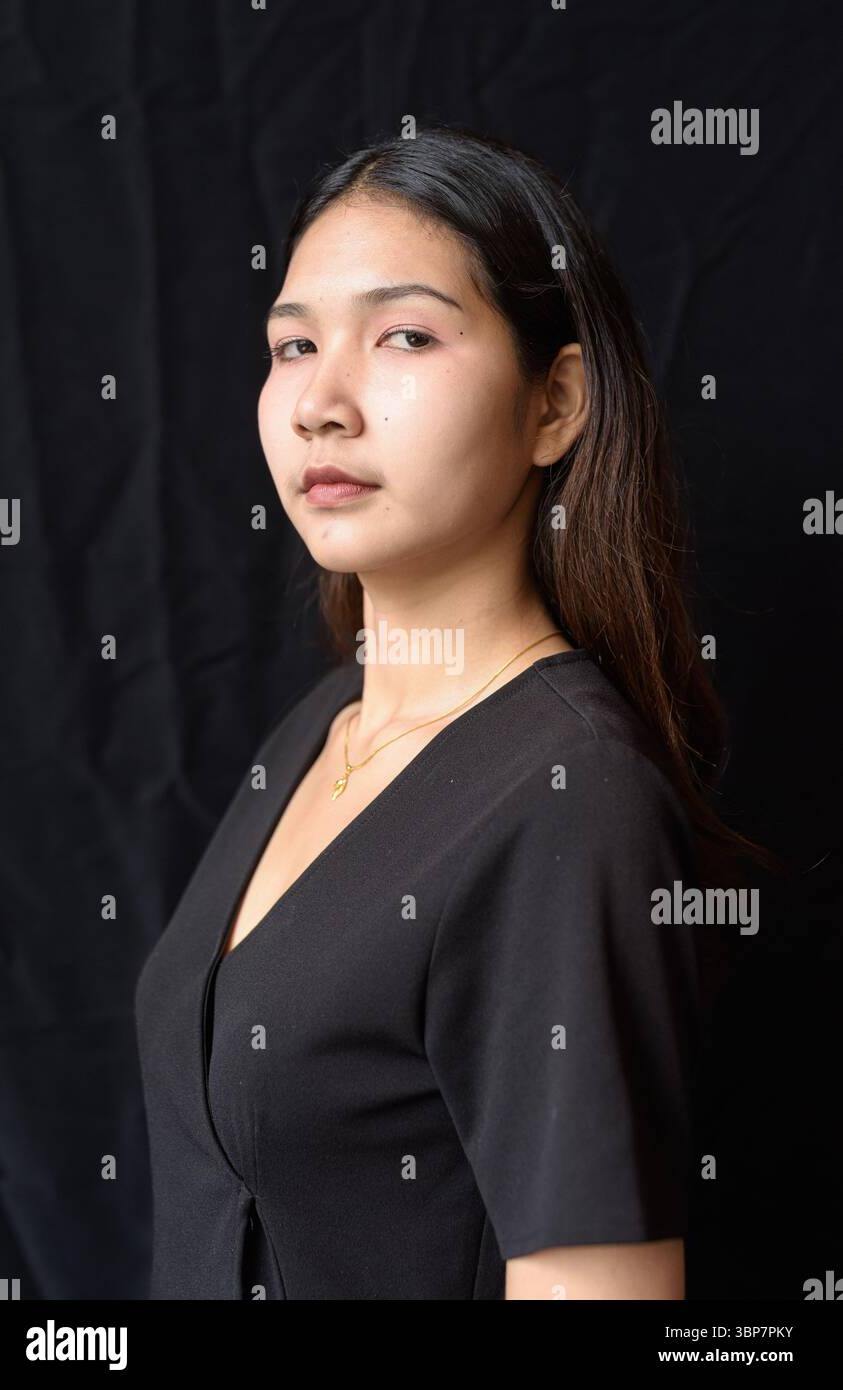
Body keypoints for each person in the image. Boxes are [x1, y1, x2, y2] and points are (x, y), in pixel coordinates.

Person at [134, 123, 778, 1301]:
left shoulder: (565, 798)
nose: (323, 402)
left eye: (405, 336)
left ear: (556, 403)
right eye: (292, 345)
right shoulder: (321, 732)